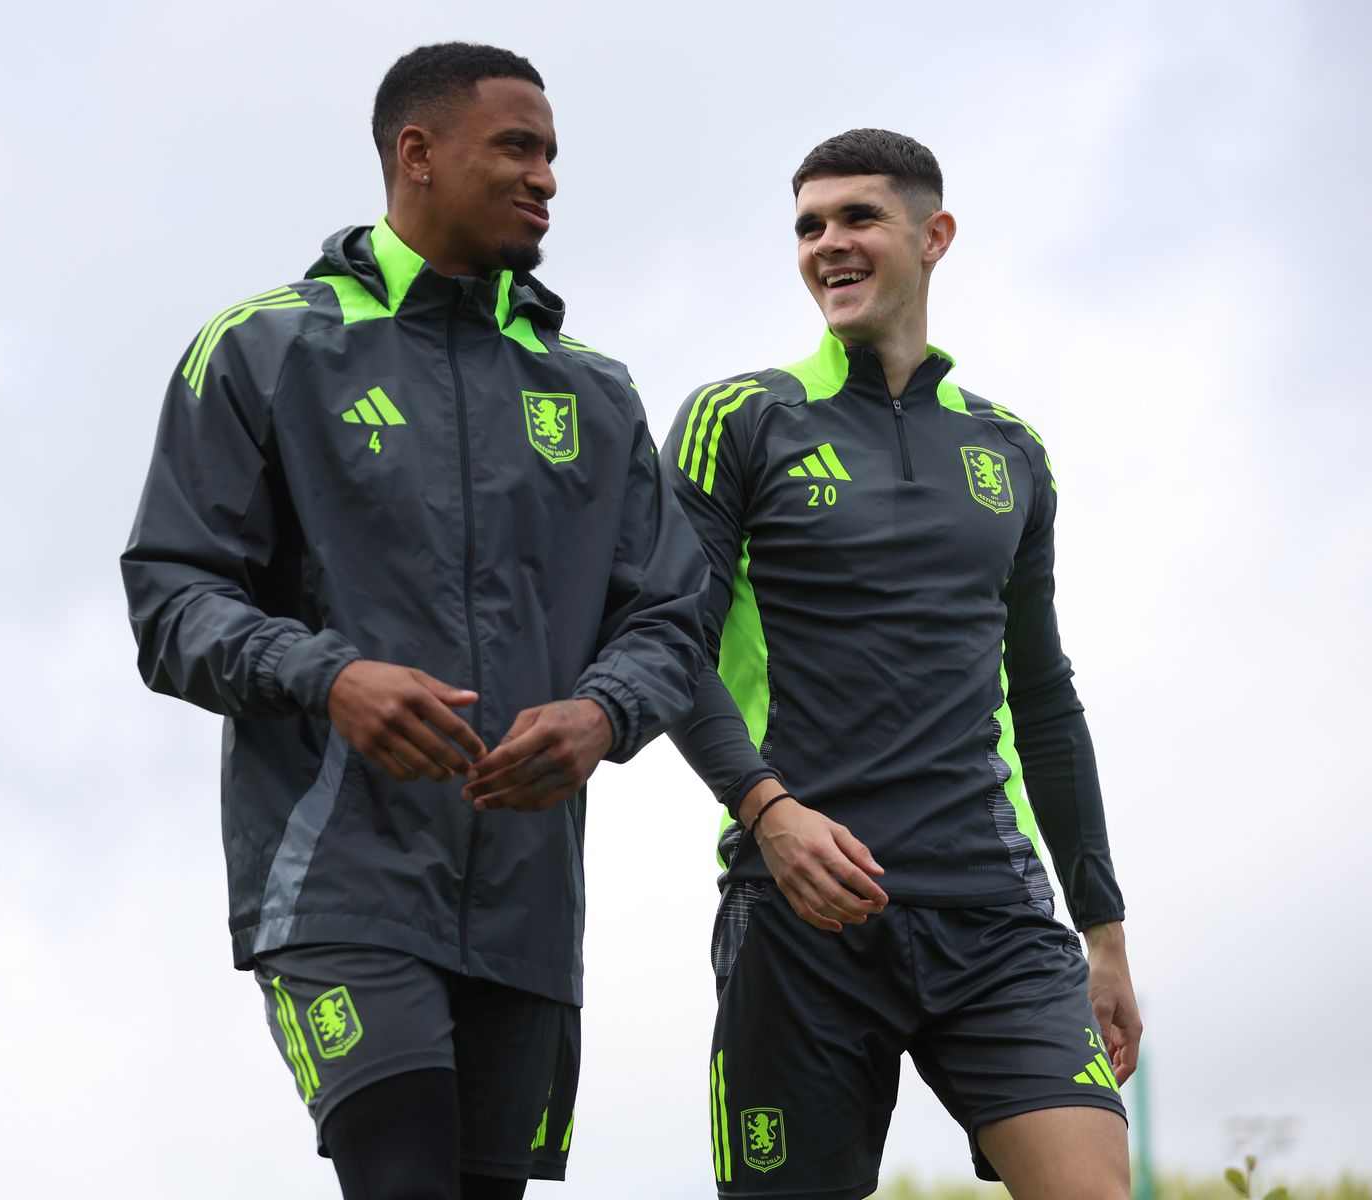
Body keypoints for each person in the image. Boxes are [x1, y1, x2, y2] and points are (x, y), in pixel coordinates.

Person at [120, 42, 707, 1200]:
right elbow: (171, 596)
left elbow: (672, 616)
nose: (546, 178)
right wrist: (328, 677)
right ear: (417, 154)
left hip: (529, 907)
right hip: (338, 883)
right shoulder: (263, 346)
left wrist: (604, 714)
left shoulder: (594, 390)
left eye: (552, 155)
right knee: (402, 1182)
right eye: (518, 148)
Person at [665, 128, 1143, 1199]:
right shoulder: (736, 420)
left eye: (857, 219)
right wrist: (767, 811)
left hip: (996, 916)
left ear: (935, 236)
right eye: (808, 226)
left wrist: (1101, 934)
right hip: (800, 911)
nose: (828, 245)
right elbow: (666, 649)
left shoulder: (1009, 448)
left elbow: (1046, 697)